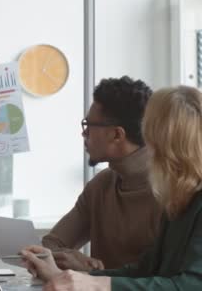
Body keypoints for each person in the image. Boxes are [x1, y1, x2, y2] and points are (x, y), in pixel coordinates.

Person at [22, 85, 202, 290]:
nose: (147, 143)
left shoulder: (180, 197)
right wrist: (72, 276)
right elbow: (146, 269)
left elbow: (193, 284)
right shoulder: (179, 196)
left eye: (150, 133)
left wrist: (96, 283)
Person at [41, 76, 162, 271]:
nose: (84, 133)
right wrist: (71, 257)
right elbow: (49, 245)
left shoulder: (173, 191)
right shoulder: (101, 184)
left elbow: (169, 280)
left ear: (117, 135)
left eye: (89, 125)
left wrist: (93, 274)